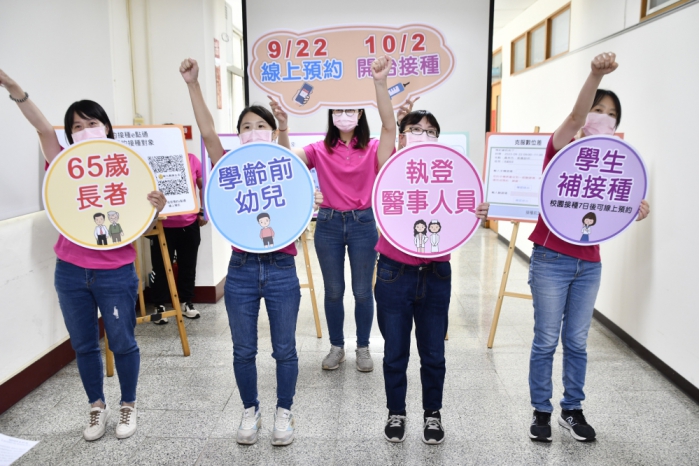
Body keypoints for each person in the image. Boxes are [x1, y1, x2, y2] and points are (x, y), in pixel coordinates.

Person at [0, 68, 167, 441]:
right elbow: (42, 129)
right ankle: (96, 406)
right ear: (69, 134)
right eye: (77, 126)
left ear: (106, 127)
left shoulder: (127, 166)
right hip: (71, 270)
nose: (85, 130)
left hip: (115, 270)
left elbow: (139, 221)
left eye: (92, 122)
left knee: (122, 341)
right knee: (83, 344)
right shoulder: (64, 165)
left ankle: (128, 404)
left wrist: (155, 207)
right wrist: (13, 87)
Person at [180, 57, 322, 446]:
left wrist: (286, 131)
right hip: (241, 268)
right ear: (238, 134)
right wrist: (193, 85)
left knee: (285, 350)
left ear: (272, 132)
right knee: (243, 350)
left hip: (281, 267)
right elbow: (207, 133)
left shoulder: (284, 164)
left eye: (261, 125)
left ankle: (284, 411)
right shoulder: (231, 166)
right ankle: (250, 409)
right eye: (246, 126)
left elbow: (294, 173)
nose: (253, 131)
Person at [527, 52, 650, 443]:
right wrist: (595, 75)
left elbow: (612, 208)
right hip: (550, 257)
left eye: (612, 115)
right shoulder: (561, 148)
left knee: (577, 342)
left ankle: (572, 409)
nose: (604, 117)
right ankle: (541, 411)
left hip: (589, 264)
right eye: (599, 110)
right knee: (546, 339)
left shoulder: (614, 165)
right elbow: (576, 118)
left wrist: (633, 210)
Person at [374, 106, 490, 444]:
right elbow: (386, 127)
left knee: (434, 353)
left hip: (437, 272)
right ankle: (396, 411)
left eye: (430, 131)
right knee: (395, 351)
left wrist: (477, 210)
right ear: (401, 136)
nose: (423, 135)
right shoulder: (389, 167)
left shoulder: (449, 172)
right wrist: (383, 89)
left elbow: (462, 205)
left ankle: (432, 414)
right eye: (415, 129)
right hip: (394, 272)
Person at [275, 55, 397, 372]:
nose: (344, 116)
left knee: (362, 291)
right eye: (338, 111)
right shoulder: (319, 148)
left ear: (360, 114)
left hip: (363, 223)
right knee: (333, 291)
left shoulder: (373, 148)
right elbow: (288, 159)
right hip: (328, 224)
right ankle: (336, 347)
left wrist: (380, 83)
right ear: (330, 116)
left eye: (350, 110)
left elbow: (389, 126)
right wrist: (283, 128)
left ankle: (363, 347)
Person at [150, 151, 206, 324]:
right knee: (160, 266)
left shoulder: (192, 159)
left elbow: (203, 185)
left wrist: (204, 210)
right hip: (161, 223)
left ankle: (186, 302)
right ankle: (159, 305)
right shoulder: (153, 157)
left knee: (188, 265)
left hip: (188, 223)